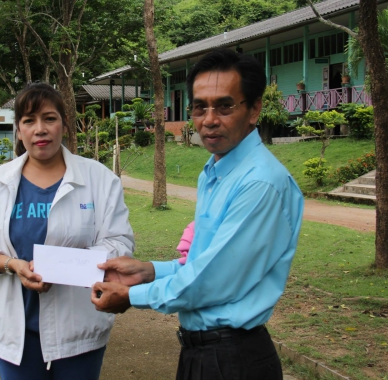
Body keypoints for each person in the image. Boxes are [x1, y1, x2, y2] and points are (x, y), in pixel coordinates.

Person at [91, 48, 304, 380]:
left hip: (234, 360)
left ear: (254, 109)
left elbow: (209, 281)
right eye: (199, 107)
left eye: (224, 106)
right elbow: (203, 263)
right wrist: (148, 270)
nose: (209, 119)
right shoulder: (214, 172)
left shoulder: (259, 183)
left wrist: (132, 296)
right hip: (205, 353)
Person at [0, 82, 134, 380]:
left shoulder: (100, 180)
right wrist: (11, 264)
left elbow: (120, 242)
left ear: (64, 124)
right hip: (13, 332)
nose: (40, 129)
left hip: (78, 329)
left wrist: (65, 267)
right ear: (19, 130)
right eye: (29, 121)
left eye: (49, 118)